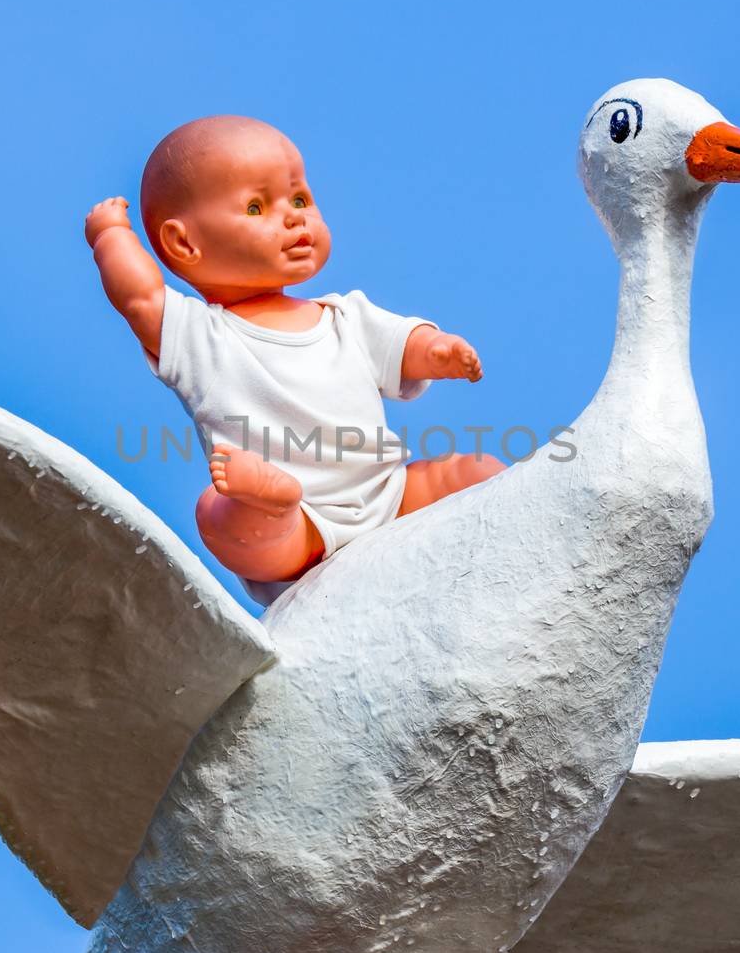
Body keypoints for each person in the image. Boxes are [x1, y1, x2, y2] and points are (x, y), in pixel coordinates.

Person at [84, 115, 502, 603]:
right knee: (219, 515)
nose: (294, 217)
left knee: (472, 472)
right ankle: (270, 500)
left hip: (389, 493)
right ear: (184, 244)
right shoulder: (202, 337)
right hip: (302, 533)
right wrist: (110, 235)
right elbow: (140, 299)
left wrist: (436, 351)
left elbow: (402, 344)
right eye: (258, 207)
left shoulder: (345, 315)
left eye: (300, 199)